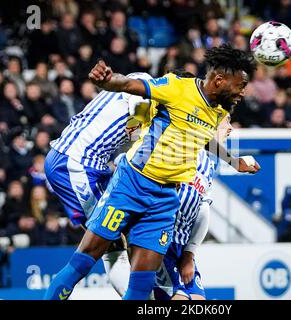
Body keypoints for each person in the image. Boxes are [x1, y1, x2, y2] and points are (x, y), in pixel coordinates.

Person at [44, 44, 259, 301]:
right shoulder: (177, 87)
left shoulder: (219, 109)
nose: (243, 92)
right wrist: (107, 80)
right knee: (84, 261)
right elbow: (129, 86)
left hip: (165, 200)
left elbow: (201, 137)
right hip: (131, 185)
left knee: (142, 284)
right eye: (240, 85)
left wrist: (233, 162)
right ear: (219, 80)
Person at [44, 70, 155, 298]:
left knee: (113, 240)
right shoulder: (145, 84)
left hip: (82, 162)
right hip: (76, 163)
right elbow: (138, 111)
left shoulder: (135, 87)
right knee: (103, 244)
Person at [155, 112, 233, 300]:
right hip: (161, 239)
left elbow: (203, 210)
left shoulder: (209, 163)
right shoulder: (180, 148)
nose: (230, 128)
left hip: (182, 247)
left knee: (198, 299)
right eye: (226, 121)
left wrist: (189, 254)